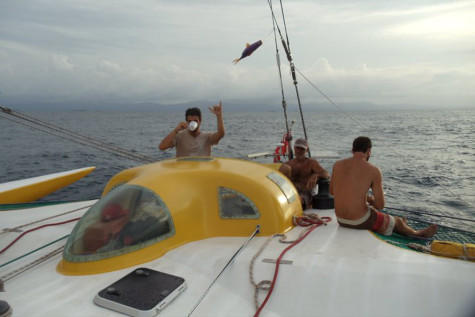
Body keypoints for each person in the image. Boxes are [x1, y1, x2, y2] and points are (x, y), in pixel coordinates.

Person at [329, 136, 437, 237]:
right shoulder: (374, 170)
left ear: (352, 150)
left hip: (341, 220)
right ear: (369, 151)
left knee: (371, 211)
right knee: (396, 221)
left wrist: (364, 198)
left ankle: (397, 222)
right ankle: (416, 233)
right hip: (359, 221)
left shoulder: (337, 165)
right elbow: (380, 205)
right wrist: (371, 200)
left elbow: (332, 192)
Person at [159, 101, 225, 158]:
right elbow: (162, 147)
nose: (192, 123)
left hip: (201, 171)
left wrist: (219, 116)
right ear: (186, 122)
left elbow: (221, 134)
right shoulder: (179, 136)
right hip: (184, 170)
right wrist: (175, 130)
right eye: (189, 121)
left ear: (200, 121)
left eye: (195, 121)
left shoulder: (207, 137)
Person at [279, 138, 330, 210]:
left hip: (305, 193)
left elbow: (327, 174)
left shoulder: (311, 163)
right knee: (284, 168)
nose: (299, 151)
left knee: (298, 200)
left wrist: (316, 175)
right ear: (294, 148)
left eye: (302, 149)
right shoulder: (288, 164)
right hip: (290, 191)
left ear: (307, 150)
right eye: (297, 148)